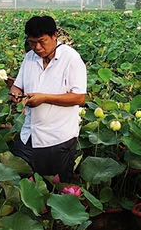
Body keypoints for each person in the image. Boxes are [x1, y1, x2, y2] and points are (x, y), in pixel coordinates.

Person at [10, 16, 87, 182]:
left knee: (55, 189)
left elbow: (80, 98)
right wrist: (15, 93)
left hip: (57, 139)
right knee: (22, 185)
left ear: (55, 36)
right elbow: (17, 86)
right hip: (29, 135)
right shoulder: (30, 57)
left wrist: (44, 98)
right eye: (31, 42)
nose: (37, 47)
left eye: (42, 41)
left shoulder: (71, 59)